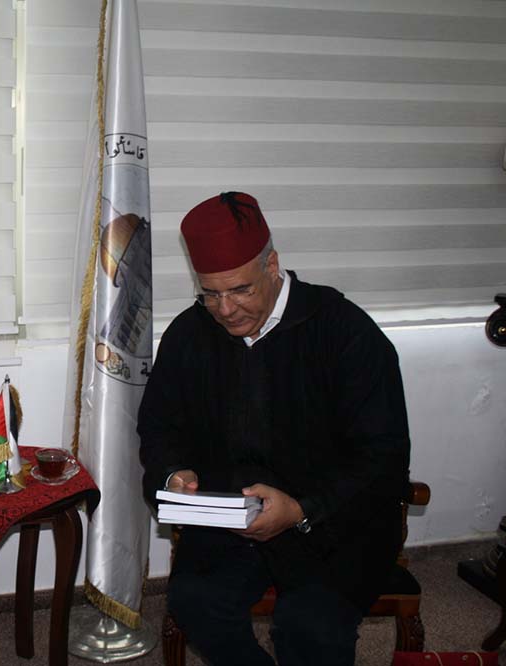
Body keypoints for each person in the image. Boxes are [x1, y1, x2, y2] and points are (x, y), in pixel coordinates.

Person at [138, 192, 411, 666]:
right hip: (231, 520)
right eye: (210, 293)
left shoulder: (344, 331)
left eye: (240, 290)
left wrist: (302, 508)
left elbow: (383, 454)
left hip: (333, 520)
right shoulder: (188, 334)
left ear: (272, 265)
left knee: (311, 627)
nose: (225, 309)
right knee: (195, 601)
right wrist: (174, 473)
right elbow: (159, 428)